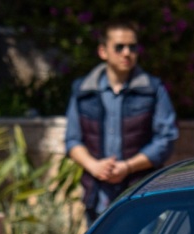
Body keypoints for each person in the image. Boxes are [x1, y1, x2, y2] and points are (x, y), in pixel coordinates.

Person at [65, 21, 179, 222]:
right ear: (103, 51)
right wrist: (94, 166)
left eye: (132, 47)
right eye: (119, 47)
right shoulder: (83, 90)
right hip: (96, 197)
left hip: (139, 195)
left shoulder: (152, 89)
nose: (127, 53)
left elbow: (166, 139)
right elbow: (72, 140)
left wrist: (127, 167)